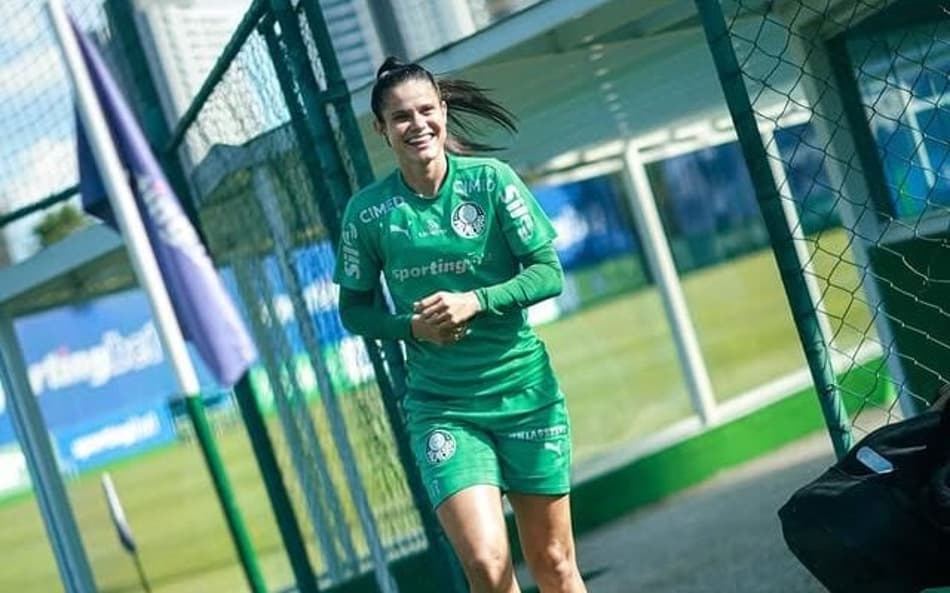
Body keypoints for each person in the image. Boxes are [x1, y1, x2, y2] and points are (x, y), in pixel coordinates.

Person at [333, 57, 587, 593]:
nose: (417, 124)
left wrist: (478, 300)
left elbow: (548, 273)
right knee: (487, 567)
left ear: (444, 112)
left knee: (555, 564)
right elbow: (353, 309)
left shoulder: (491, 181)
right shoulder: (367, 213)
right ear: (381, 129)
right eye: (400, 116)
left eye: (427, 110)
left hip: (525, 394)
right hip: (443, 408)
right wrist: (412, 329)